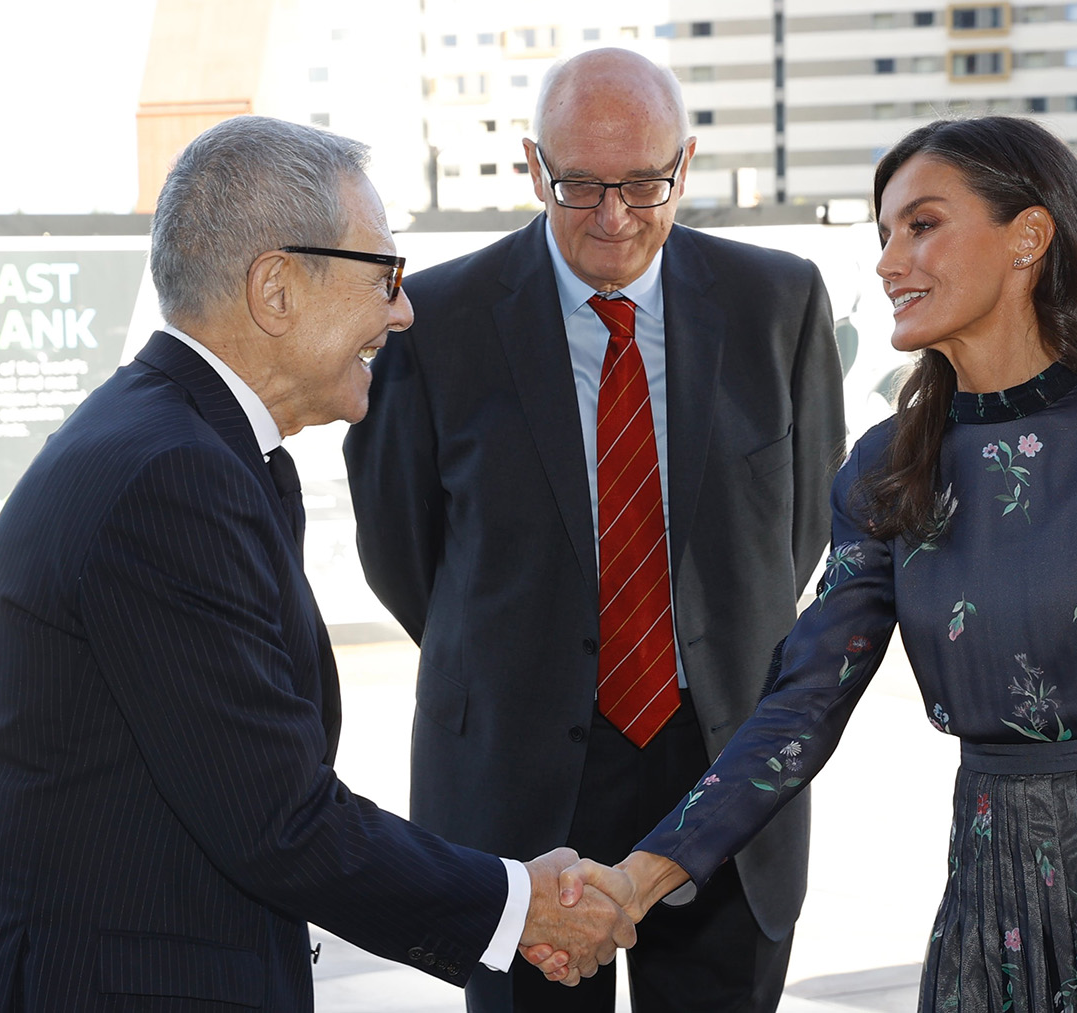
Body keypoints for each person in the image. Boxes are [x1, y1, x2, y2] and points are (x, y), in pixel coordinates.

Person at [543, 117, 1077, 1012]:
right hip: (991, 915)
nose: (887, 262)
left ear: (1028, 237)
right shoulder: (886, 467)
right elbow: (797, 710)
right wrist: (635, 881)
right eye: (884, 235)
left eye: (921, 225)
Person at [0, 115, 632, 1013]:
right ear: (277, 289)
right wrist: (520, 905)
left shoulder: (179, 442)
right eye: (384, 274)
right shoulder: (171, 476)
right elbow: (278, 820)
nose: (403, 309)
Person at [344, 48, 846, 1013]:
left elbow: (804, 522)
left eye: (644, 184)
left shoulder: (776, 302)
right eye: (579, 185)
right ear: (535, 168)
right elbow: (404, 556)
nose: (614, 216)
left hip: (722, 771)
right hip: (516, 786)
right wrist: (524, 659)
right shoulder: (435, 323)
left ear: (685, 166)